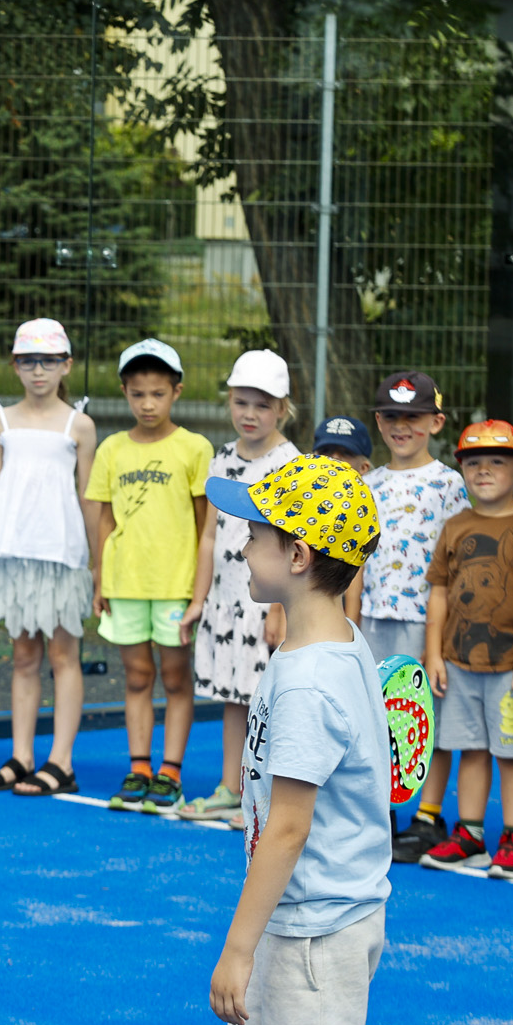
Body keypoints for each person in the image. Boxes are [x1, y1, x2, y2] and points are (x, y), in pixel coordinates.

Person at [206, 455, 390, 1025]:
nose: (243, 548)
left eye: (255, 536)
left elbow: (288, 829)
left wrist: (237, 949)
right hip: (302, 918)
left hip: (315, 932)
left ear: (298, 556)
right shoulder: (334, 643)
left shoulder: (311, 683)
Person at [0, 318, 98, 795]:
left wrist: (96, 562)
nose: (38, 371)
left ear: (66, 365)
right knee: (23, 656)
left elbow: (89, 495)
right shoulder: (2, 420)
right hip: (13, 554)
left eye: (48, 361)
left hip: (61, 557)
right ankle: (22, 755)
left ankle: (60, 761)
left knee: (64, 656)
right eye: (28, 361)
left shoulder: (78, 424)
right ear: (15, 366)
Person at [88, 337, 212, 811]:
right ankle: (138, 767)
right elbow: (105, 520)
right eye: (137, 393)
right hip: (126, 584)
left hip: (174, 585)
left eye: (157, 393)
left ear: (175, 393)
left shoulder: (194, 449)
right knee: (137, 676)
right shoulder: (111, 450)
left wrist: (198, 589)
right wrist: (101, 579)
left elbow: (206, 527)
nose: (147, 403)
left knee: (176, 679)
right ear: (124, 392)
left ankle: (171, 772)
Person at [179, 349, 301, 823]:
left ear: (282, 409)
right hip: (226, 602)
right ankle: (232, 788)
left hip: (265, 605)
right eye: (241, 403)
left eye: (263, 405)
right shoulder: (221, 459)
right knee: (234, 698)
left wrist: (279, 608)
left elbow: (293, 543)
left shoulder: (291, 464)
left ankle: (264, 798)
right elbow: (209, 535)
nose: (250, 414)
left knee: (266, 702)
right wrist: (198, 599)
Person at [356, 370, 470, 863]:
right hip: (374, 615)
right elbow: (356, 554)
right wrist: (352, 616)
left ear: (436, 422)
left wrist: (442, 635)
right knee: (377, 717)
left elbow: (459, 563)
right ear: (378, 421)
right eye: (391, 416)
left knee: (425, 717)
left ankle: (428, 814)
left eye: (413, 417)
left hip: (425, 620)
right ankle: (379, 810)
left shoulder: (448, 483)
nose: (401, 426)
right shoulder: (369, 483)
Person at [418, 420, 513, 878]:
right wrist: (434, 653)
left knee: (512, 750)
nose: (483, 471)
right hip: (458, 662)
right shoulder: (454, 526)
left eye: (496, 462)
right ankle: (470, 833)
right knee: (468, 747)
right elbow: (441, 594)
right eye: (472, 463)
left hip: (510, 665)